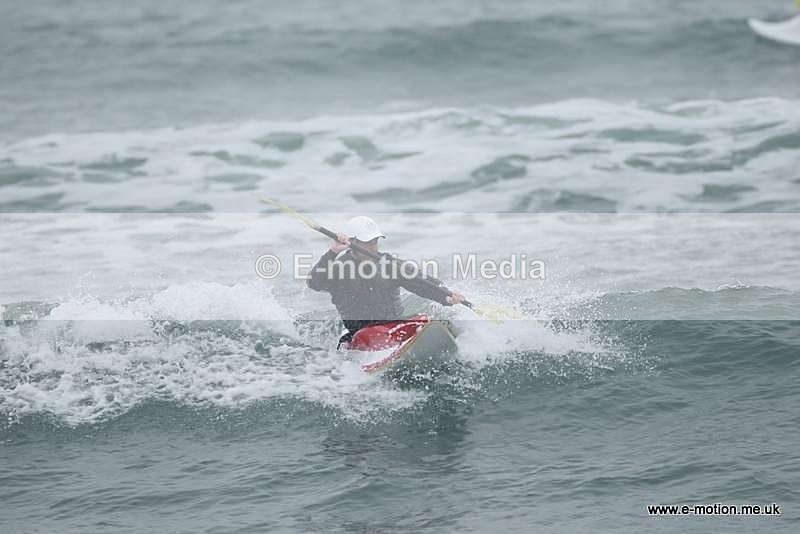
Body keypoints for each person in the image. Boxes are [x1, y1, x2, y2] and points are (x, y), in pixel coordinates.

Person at [307, 216, 465, 346]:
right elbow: (314, 283)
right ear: (352, 243)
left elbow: (420, 282)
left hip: (395, 326)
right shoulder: (337, 268)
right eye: (367, 243)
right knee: (368, 336)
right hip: (362, 335)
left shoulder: (389, 264)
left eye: (375, 242)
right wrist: (332, 253)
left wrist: (446, 296)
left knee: (426, 320)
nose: (373, 247)